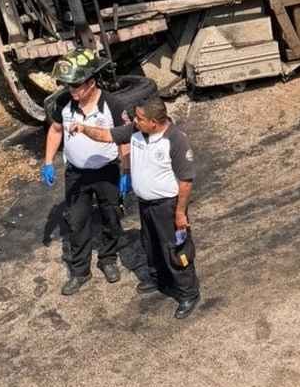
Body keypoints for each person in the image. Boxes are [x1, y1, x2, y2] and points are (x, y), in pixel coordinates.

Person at [74, 96, 201, 319]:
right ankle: (159, 280)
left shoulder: (176, 140)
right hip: (146, 205)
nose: (135, 121)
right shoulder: (135, 130)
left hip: (168, 207)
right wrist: (83, 128)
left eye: (140, 118)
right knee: (150, 246)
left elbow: (186, 181)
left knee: (175, 250)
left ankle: (188, 292)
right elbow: (105, 135)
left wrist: (180, 213)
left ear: (154, 122)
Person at [41, 48, 127, 295]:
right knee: (77, 223)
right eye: (68, 85)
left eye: (76, 85)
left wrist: (126, 171)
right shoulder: (63, 104)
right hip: (77, 175)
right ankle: (80, 271)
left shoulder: (112, 104)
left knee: (111, 217)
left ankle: (108, 259)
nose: (71, 90)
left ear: (91, 83)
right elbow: (56, 130)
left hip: (107, 172)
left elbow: (124, 139)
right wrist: (48, 162)